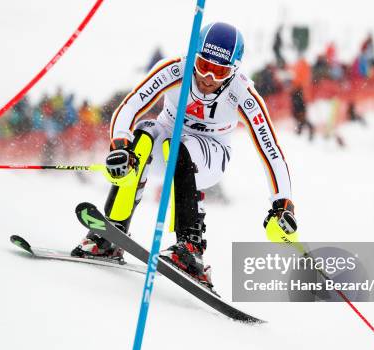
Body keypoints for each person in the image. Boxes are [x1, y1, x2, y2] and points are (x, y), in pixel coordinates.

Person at [71, 22, 297, 291]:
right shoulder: (176, 69)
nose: (209, 78)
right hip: (167, 136)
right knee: (142, 138)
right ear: (194, 56)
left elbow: (271, 150)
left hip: (210, 153)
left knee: (181, 147)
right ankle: (111, 232)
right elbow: (131, 105)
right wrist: (120, 144)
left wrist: (283, 203)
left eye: (220, 70)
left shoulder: (243, 93)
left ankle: (191, 246)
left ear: (234, 70)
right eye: (203, 65)